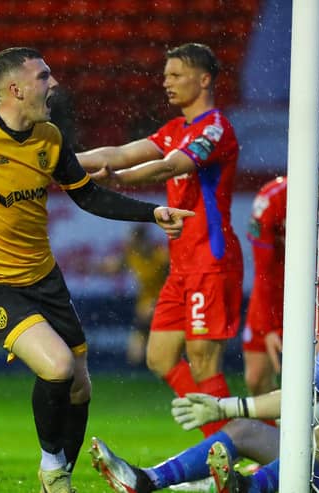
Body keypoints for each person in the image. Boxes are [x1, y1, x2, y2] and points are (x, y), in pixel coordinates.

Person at [0, 47, 193, 493]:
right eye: (44, 76)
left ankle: (57, 478)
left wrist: (152, 213)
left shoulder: (50, 136)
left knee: (80, 388)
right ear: (15, 89)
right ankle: (52, 470)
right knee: (59, 367)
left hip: (45, 280)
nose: (54, 83)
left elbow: (87, 196)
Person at [88, 261, 319, 493]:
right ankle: (146, 479)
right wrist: (224, 408)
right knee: (243, 430)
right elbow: (294, 399)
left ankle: (248, 487)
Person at [78, 42, 243, 437]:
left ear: (203, 79)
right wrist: (57, 157)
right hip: (182, 265)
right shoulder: (174, 130)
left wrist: (117, 180)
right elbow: (119, 152)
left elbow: (170, 167)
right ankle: (232, 439)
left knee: (204, 364)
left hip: (210, 260)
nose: (165, 82)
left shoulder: (215, 127)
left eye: (175, 75)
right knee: (160, 357)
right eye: (165, 75)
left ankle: (230, 451)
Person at [243, 146, 319, 430]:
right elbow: (264, 271)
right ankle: (271, 452)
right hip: (271, 295)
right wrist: (270, 326)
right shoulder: (269, 202)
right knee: (257, 379)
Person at [97, 224, 169, 365]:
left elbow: (177, 277)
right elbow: (113, 267)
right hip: (146, 303)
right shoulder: (132, 255)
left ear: (144, 240)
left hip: (166, 300)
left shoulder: (161, 255)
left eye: (135, 241)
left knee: (149, 322)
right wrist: (95, 267)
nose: (132, 244)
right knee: (135, 354)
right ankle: (143, 366)